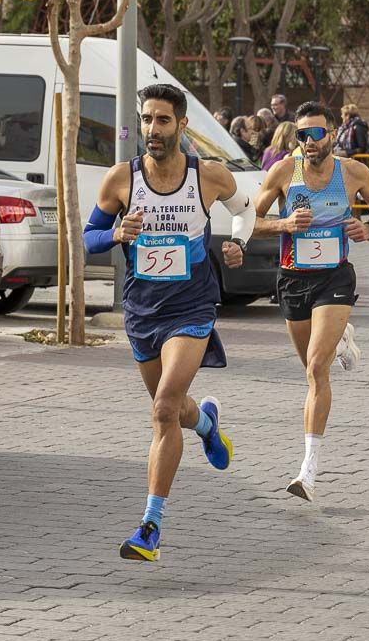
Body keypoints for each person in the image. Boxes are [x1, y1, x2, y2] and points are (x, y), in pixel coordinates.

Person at [83, 83, 256, 562]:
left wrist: (239, 242)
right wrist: (116, 231)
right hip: (142, 311)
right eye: (146, 120)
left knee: (161, 409)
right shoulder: (121, 179)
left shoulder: (209, 176)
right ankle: (205, 425)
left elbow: (246, 211)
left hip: (192, 307)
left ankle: (150, 527)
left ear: (182, 125)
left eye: (162, 120)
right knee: (175, 410)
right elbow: (88, 236)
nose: (152, 130)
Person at [252, 101, 369, 502]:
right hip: (293, 279)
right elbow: (249, 222)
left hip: (334, 277)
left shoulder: (352, 173)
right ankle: (341, 337)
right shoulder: (282, 171)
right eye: (302, 135)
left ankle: (308, 471)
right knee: (311, 366)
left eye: (317, 133)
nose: (309, 141)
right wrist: (282, 224)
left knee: (317, 368)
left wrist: (368, 226)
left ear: (332, 133)